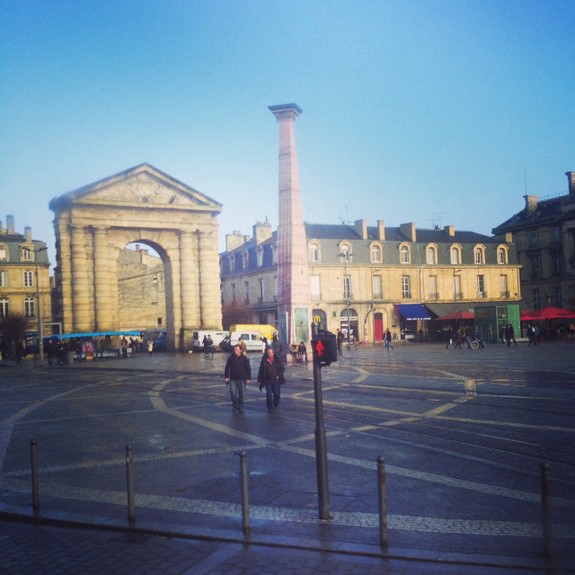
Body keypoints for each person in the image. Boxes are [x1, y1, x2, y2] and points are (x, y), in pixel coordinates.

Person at [224, 344, 251, 414]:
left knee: (242, 394)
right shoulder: (231, 358)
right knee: (233, 394)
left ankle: (240, 406)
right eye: (235, 349)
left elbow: (248, 368)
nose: (235, 351)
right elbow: (227, 368)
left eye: (237, 350)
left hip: (242, 379)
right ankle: (235, 406)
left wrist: (249, 378)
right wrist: (226, 377)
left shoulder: (244, 358)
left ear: (240, 350)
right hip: (233, 379)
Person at [257, 347, 285, 414]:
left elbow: (282, 368)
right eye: (268, 352)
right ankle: (270, 408)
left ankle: (276, 404)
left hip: (276, 379)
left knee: (277, 394)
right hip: (267, 380)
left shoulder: (277, 360)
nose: (269, 354)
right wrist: (259, 380)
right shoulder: (264, 360)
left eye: (270, 352)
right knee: (269, 394)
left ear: (273, 353)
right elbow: (261, 370)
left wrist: (279, 375)